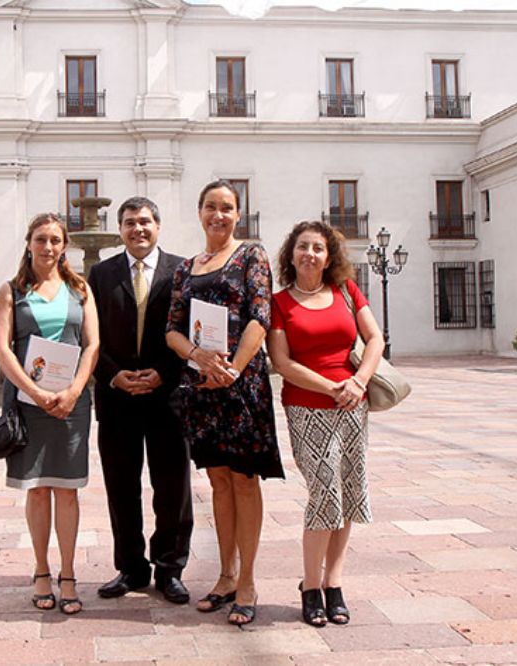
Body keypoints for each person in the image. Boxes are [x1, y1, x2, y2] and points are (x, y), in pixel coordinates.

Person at [165, 180, 284, 626]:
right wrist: (198, 358)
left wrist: (231, 367)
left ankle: (248, 580)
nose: (219, 214)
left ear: (238, 214)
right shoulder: (185, 269)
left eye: (227, 208)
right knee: (217, 480)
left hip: (241, 385)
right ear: (200, 213)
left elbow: (260, 316)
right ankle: (226, 575)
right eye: (211, 207)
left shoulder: (251, 255)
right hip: (202, 386)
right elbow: (172, 330)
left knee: (243, 480)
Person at [267, 220, 384, 627]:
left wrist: (359, 381)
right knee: (325, 492)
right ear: (291, 254)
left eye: (318, 248)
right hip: (306, 406)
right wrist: (334, 388)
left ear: (329, 256)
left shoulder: (347, 292)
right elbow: (282, 363)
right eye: (302, 247)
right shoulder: (279, 303)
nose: (310, 254)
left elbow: (375, 339)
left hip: (354, 404)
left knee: (350, 488)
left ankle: (334, 583)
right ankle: (310, 586)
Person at [0, 213, 100, 616]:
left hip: (71, 405)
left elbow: (92, 344)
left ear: (64, 245)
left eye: (56, 240)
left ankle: (68, 575)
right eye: (41, 239)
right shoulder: (11, 291)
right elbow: (2, 349)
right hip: (29, 403)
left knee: (67, 490)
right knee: (37, 489)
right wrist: (33, 391)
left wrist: (74, 390)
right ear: (29, 243)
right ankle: (41, 571)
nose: (49, 247)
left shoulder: (80, 289)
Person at [87, 196, 193, 605]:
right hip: (117, 397)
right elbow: (90, 337)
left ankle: (170, 569)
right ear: (120, 230)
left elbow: (191, 331)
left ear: (158, 226)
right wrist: (113, 374)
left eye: (145, 221)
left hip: (168, 396)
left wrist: (163, 372)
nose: (138, 229)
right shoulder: (101, 274)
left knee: (172, 486)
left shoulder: (182, 271)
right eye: (130, 223)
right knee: (121, 487)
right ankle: (130, 568)